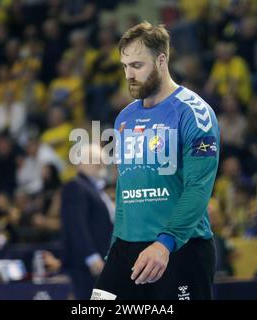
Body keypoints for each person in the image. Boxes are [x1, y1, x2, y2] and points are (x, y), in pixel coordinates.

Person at [92, 22, 220, 300]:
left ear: (161, 60)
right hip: (127, 249)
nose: (129, 75)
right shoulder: (125, 117)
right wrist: (116, 244)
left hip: (180, 248)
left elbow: (198, 187)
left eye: (137, 65)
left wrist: (165, 243)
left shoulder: (194, 113)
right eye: (125, 66)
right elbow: (125, 186)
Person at [60, 143, 114, 299]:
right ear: (83, 162)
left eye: (101, 162)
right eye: (96, 162)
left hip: (99, 262)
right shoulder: (75, 186)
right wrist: (91, 257)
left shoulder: (96, 189)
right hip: (86, 266)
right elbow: (76, 225)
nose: (100, 166)